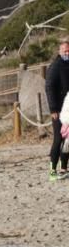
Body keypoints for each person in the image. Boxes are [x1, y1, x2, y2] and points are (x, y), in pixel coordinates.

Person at [44, 39, 69, 180]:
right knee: (58, 139)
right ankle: (52, 170)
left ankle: (64, 168)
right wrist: (53, 108)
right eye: (65, 51)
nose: (67, 53)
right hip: (59, 110)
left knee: (68, 140)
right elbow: (49, 88)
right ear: (60, 52)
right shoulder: (55, 67)